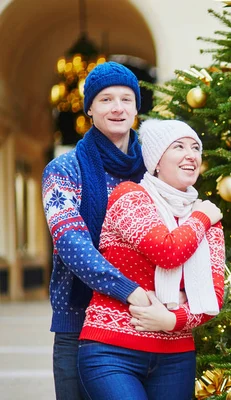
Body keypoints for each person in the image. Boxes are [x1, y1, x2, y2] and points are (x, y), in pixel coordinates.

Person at [77, 119, 226, 400]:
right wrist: (201, 218)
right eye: (178, 146)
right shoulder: (130, 197)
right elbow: (167, 252)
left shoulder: (209, 220)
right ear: (157, 160)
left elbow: (212, 297)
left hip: (175, 358)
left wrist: (170, 320)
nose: (190, 154)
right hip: (112, 352)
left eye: (196, 147)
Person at [42, 61, 153, 400]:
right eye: (105, 99)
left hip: (146, 322)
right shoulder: (64, 169)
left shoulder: (154, 169)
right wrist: (128, 289)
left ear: (136, 107)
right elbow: (71, 243)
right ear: (89, 108)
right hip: (80, 325)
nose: (117, 108)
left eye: (125, 99)